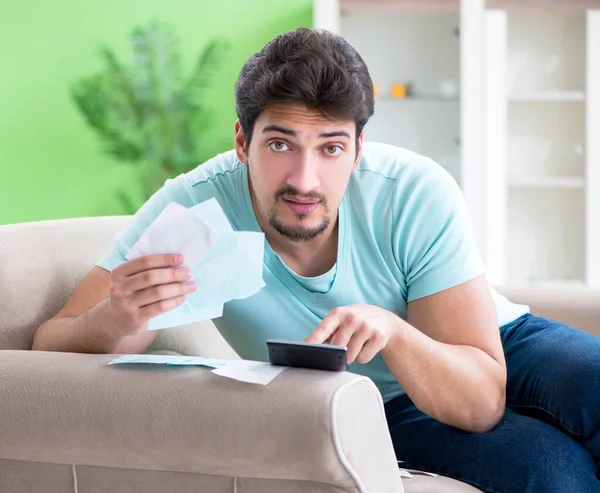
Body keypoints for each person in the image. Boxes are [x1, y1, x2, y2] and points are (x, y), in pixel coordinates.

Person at [32, 28, 599, 492]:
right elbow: (46, 349)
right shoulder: (194, 207)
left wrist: (395, 332)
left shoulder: (412, 191)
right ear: (240, 141)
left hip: (492, 344)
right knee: (553, 473)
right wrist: (118, 317)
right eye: (280, 144)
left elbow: (479, 396)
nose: (304, 181)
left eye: (330, 148)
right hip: (369, 402)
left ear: (357, 149)